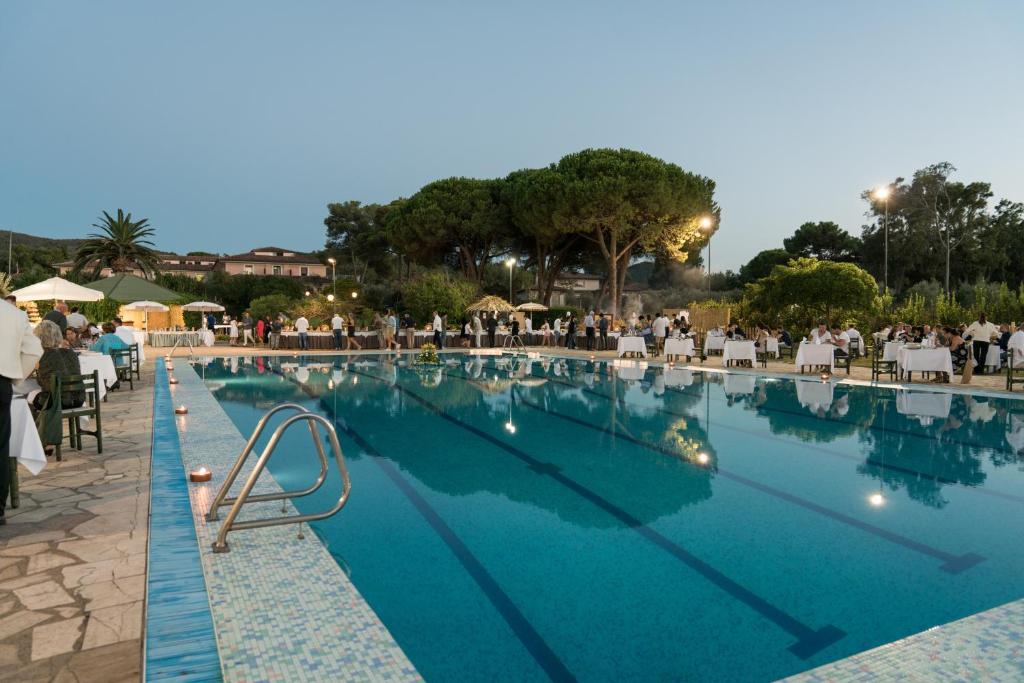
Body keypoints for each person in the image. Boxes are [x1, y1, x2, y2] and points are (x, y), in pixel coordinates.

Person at [1, 300, 43, 524]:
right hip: (1, 382)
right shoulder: (13, 313)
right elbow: (34, 350)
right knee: (0, 447)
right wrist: (15, 377)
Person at [31, 321, 85, 413]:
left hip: (58, 402)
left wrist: (36, 371)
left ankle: (37, 423)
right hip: (78, 400)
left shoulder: (43, 356)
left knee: (30, 399)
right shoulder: (71, 353)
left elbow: (44, 384)